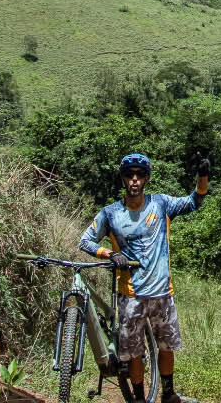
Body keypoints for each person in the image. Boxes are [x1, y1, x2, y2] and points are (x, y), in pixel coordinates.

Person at [80, 153, 211, 403]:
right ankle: (139, 399)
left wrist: (202, 177)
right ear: (123, 179)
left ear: (147, 178)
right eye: (129, 175)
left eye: (140, 174)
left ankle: (169, 394)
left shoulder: (161, 204)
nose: (135, 179)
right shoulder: (110, 214)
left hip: (162, 292)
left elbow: (195, 201)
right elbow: (85, 240)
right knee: (134, 354)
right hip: (131, 295)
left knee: (166, 347)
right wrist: (109, 253)